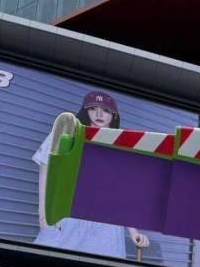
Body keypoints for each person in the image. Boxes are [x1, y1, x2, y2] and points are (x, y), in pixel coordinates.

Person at [32, 90, 149, 257]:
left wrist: (133, 232)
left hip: (106, 226)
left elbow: (123, 193)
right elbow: (46, 169)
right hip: (69, 215)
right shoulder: (68, 133)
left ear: (114, 115)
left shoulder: (121, 146)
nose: (99, 114)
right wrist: (43, 214)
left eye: (106, 110)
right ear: (85, 111)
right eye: (93, 108)